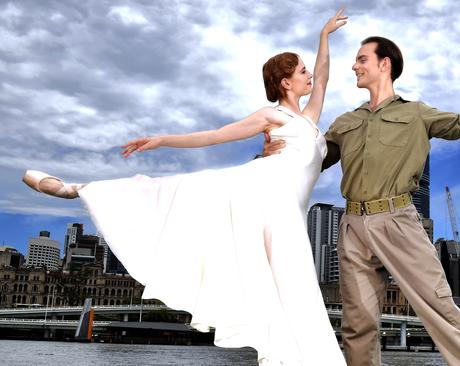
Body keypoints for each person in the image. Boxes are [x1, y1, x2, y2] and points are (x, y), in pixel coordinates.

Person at [22, 9, 348, 366]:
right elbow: (213, 136)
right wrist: (162, 140)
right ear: (285, 82)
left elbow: (324, 74)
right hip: (262, 196)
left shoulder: (310, 118)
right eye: (301, 71)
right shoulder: (272, 116)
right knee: (177, 190)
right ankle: (77, 189)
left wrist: (324, 35)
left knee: (297, 293)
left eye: (306, 70)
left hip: (289, 212)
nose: (309, 76)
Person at [263, 36, 460, 366]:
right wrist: (272, 151)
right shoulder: (346, 122)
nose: (354, 66)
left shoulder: (416, 114)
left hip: (398, 221)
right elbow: (307, 159)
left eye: (361, 59)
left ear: (384, 64)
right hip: (352, 227)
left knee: (439, 306)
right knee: (357, 325)